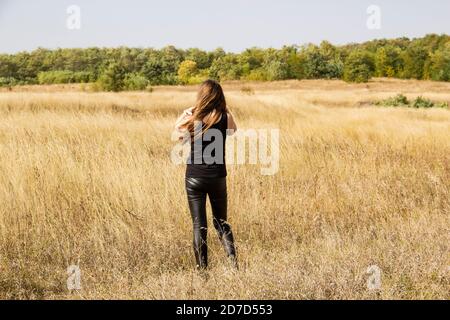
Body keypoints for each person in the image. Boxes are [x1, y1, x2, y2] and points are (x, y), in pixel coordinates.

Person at [175, 79, 238, 270]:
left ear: (201, 96)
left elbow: (178, 134)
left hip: (194, 176)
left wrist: (185, 113)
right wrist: (226, 109)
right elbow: (234, 130)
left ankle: (202, 270)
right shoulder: (224, 116)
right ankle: (233, 265)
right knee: (222, 223)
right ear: (219, 96)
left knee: (199, 226)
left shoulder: (194, 117)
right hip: (217, 176)